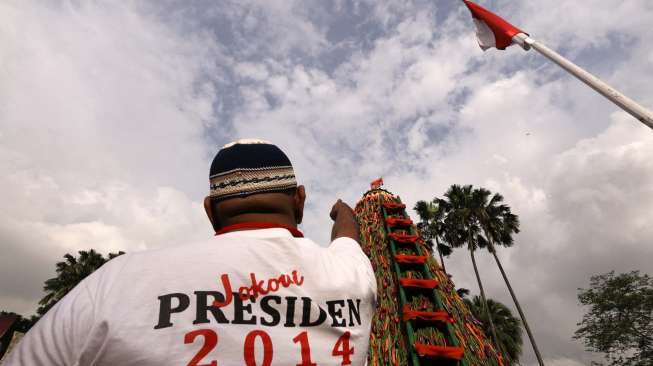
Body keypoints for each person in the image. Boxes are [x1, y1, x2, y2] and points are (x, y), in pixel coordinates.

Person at [5, 139, 377, 365]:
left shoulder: (119, 281)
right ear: (299, 199)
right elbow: (348, 235)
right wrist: (343, 210)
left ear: (209, 209)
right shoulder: (350, 274)